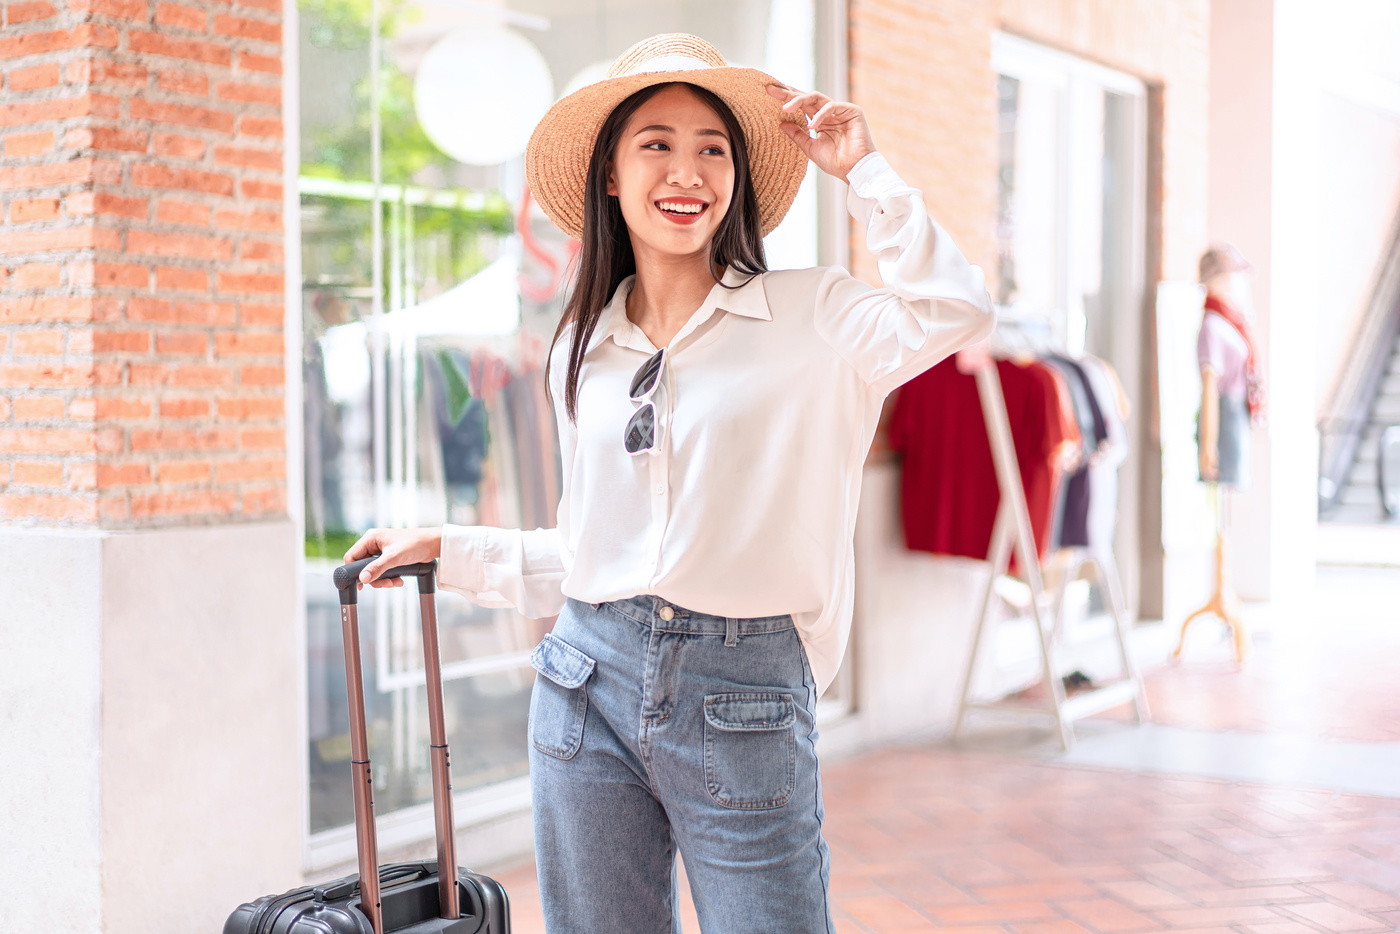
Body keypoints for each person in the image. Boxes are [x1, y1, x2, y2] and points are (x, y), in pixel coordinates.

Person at [345, 33, 994, 934]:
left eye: (712, 149)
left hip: (748, 690)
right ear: (611, 175)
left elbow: (955, 308)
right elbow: (590, 554)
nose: (686, 173)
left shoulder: (816, 315)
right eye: (656, 144)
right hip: (583, 681)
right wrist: (449, 550)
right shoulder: (583, 348)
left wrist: (866, 170)